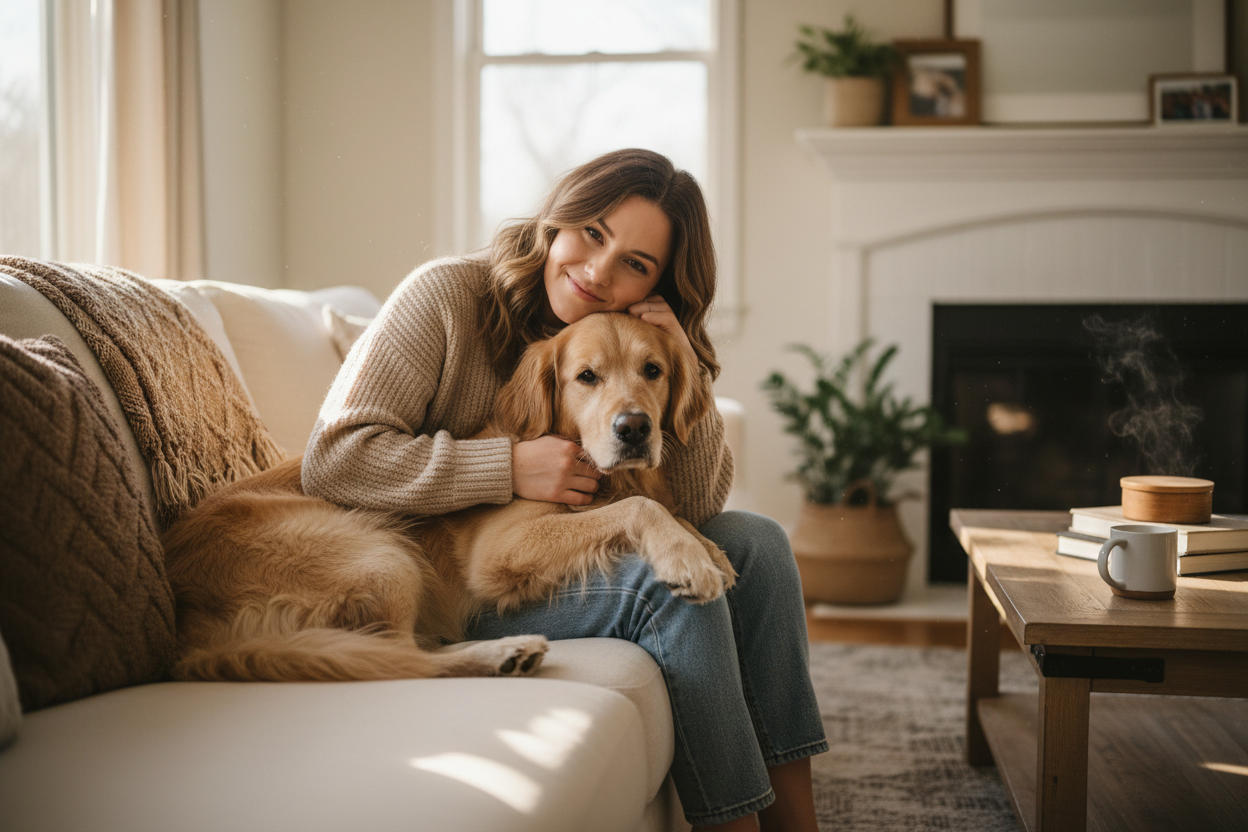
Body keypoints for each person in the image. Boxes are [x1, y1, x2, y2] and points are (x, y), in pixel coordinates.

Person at [302, 148, 827, 831]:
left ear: (655, 285)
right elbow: (332, 460)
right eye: (593, 233)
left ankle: (800, 821)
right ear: (559, 220)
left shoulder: (625, 342)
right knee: (668, 588)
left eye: (635, 264)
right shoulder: (446, 297)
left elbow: (694, 512)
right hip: (453, 571)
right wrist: (507, 466)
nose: (597, 271)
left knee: (757, 544)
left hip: (517, 553)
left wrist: (683, 363)